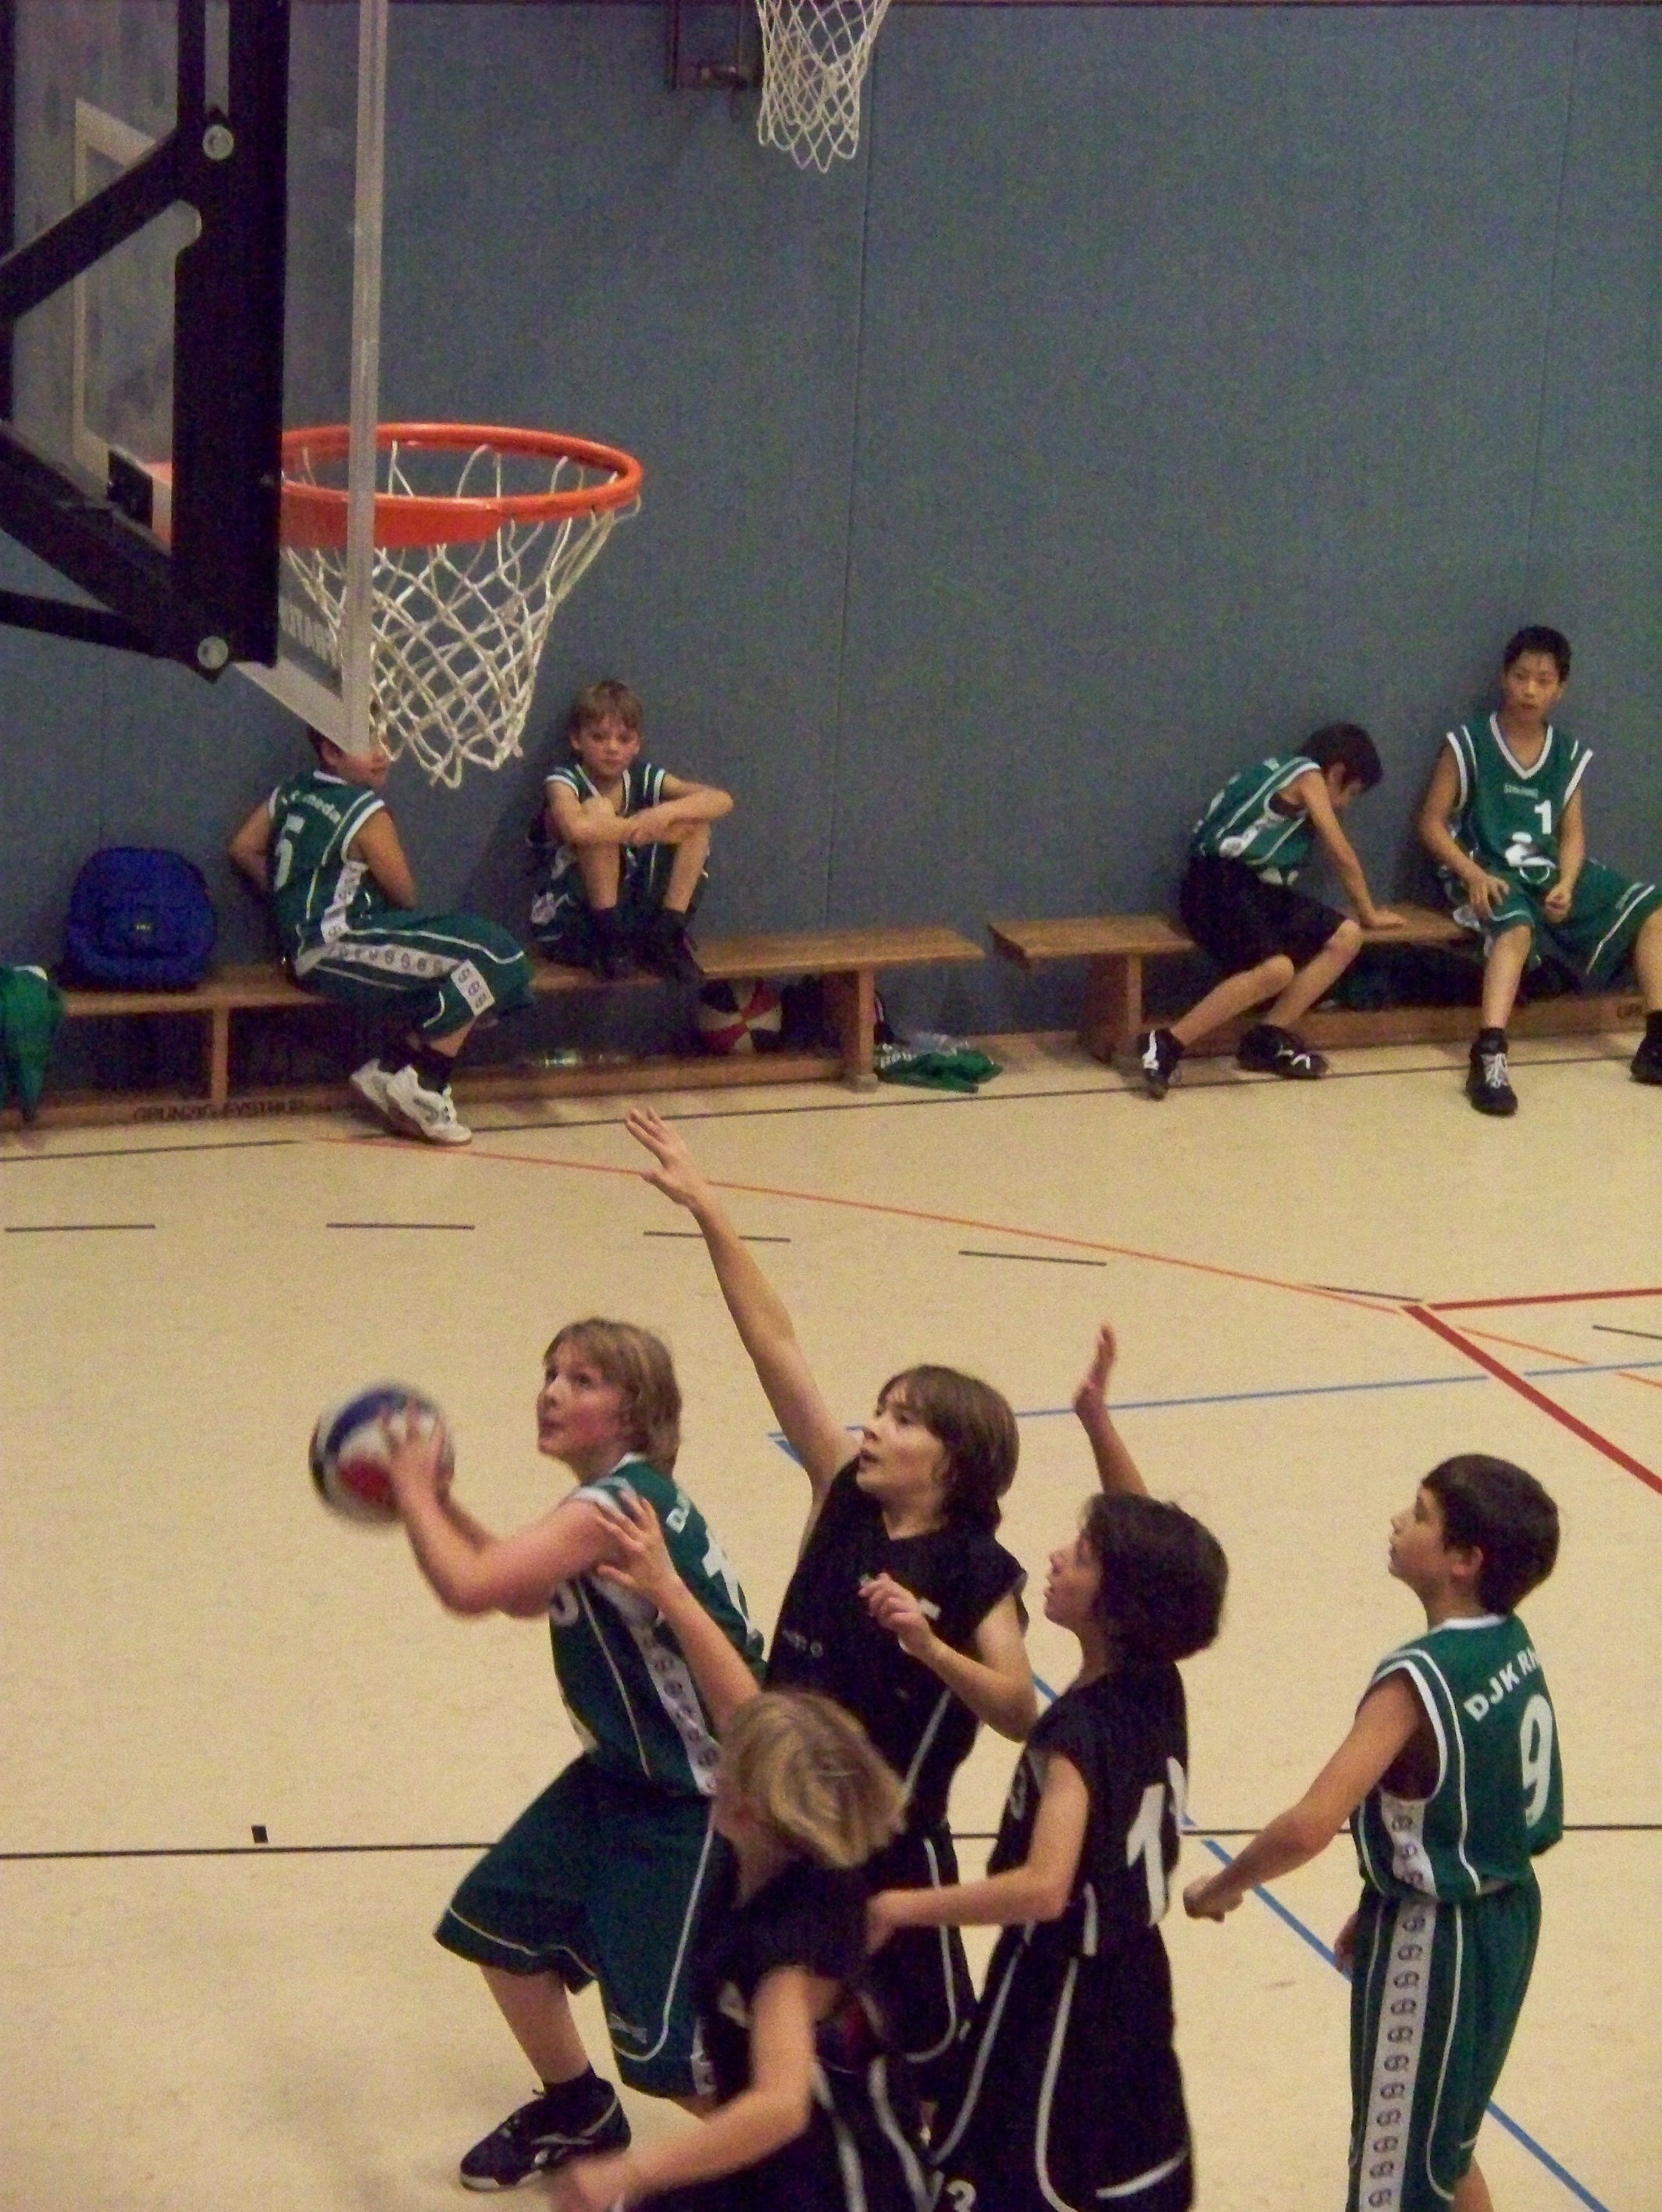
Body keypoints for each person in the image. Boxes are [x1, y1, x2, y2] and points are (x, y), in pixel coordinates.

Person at [623, 1105, 1036, 2107]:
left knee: (923, 2069)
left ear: (955, 1461)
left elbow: (1019, 1708)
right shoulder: (841, 1492)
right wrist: (707, 1208)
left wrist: (929, 1646)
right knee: (744, 2037)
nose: (873, 1428)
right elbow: (773, 1342)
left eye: (902, 1420)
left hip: (886, 1848)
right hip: (777, 1819)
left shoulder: (975, 1569)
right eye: (880, 1410)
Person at [380, 1316, 766, 2191]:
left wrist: (408, 1493)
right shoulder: (620, 1500)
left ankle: (813, 2167)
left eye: (583, 1380)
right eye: (550, 1372)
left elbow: (471, 1589)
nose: (551, 1392)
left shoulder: (607, 1510)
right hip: (621, 1777)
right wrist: (442, 1504)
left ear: (635, 1411)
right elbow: (521, 1590)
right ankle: (578, 2108)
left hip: (696, 1799)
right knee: (499, 1925)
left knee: (667, 2056)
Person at [869, 1325, 1229, 2212]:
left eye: (1084, 1553)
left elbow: (1040, 1889)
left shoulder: (1078, 1735)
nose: (1059, 1555)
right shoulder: (1156, 1677)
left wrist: (897, 1907)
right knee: (1124, 2180)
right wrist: (1097, 1420)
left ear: (1119, 1601)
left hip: (1062, 1987)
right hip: (1136, 1977)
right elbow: (1157, 1552)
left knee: (1002, 2178)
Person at [1184, 1454, 1562, 2212]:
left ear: (1464, 1560)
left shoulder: (1418, 1677)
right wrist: (1398, 1887)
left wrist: (1221, 1886)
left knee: (1392, 2182)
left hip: (1438, 1939)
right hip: (1507, 1915)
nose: (1397, 1521)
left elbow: (1309, 1825)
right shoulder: (1510, 1642)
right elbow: (1479, 1797)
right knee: (1446, 2151)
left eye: (1419, 1514)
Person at [547, 1689, 930, 2212]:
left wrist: (632, 2170)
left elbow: (780, 2106)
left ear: (748, 1806)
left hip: (841, 2183)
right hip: (771, 2166)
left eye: (726, 1763)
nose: (714, 1767)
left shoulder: (786, 1944)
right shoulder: (760, 1866)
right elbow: (744, 1715)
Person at [227, 724, 533, 1145]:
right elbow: (404, 894)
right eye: (367, 744)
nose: (381, 753)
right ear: (331, 751)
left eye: (384, 741)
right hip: (340, 944)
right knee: (497, 956)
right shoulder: (365, 809)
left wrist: (289, 896)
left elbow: (242, 847)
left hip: (305, 949)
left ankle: (389, 1068)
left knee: (483, 968)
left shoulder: (294, 790)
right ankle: (426, 1084)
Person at [1418, 624, 1662, 1115]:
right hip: (1487, 870)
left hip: (1547, 869)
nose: (1530, 689)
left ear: (1559, 689)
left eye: (1543, 680)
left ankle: (1656, 1040)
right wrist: (1472, 874)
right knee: (1516, 926)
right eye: (1521, 676)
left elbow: (1572, 837)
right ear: (1504, 678)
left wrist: (1568, 882)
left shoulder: (1567, 753)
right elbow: (1430, 824)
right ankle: (1489, 1053)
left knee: (1653, 907)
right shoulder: (1468, 742)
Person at [1137, 722, 1405, 1097]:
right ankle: (1167, 1042)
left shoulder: (1275, 773)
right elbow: (1341, 853)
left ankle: (1267, 1037)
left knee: (1346, 937)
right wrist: (1370, 912)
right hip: (1214, 885)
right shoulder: (1307, 774)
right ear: (1336, 773)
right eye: (1352, 792)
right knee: (1276, 970)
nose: (1346, 805)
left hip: (1256, 890)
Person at [530, 680, 733, 984]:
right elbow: (576, 828)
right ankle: (608, 936)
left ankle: (667, 934)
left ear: (637, 744)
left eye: (624, 739)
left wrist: (662, 814)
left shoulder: (641, 776)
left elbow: (721, 800)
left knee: (694, 820)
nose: (612, 748)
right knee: (598, 813)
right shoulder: (564, 780)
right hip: (572, 925)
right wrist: (640, 830)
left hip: (631, 924)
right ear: (576, 739)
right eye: (599, 737)